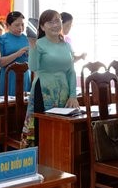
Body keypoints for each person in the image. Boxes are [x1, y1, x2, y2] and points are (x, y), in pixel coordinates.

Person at [22, 10, 79, 146]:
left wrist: (73, 95)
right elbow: (33, 67)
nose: (55, 25)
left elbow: (71, 71)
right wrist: (33, 46)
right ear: (42, 27)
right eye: (50, 22)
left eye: (57, 21)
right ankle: (37, 162)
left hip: (63, 94)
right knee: (40, 131)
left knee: (60, 131)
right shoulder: (39, 43)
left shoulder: (66, 45)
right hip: (43, 92)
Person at [0, 11, 32, 96]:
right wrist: (17, 54)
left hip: (25, 75)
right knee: (8, 105)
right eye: (17, 25)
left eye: (22, 25)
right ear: (8, 25)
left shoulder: (28, 39)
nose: (20, 27)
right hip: (9, 76)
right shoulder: (2, 39)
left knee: (24, 104)